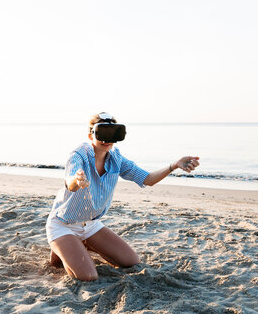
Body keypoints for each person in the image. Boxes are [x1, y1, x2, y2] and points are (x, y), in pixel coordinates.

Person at [46, 112, 200, 281]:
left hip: (90, 224)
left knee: (131, 261)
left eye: (112, 134)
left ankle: (78, 245)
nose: (107, 140)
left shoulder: (116, 159)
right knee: (88, 276)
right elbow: (70, 181)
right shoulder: (79, 155)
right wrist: (77, 179)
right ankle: (63, 246)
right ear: (91, 135)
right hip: (64, 224)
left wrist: (174, 165)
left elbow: (148, 179)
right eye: (102, 134)